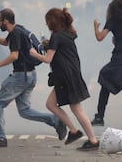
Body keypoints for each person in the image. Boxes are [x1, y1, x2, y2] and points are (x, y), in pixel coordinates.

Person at [0, 8, 66, 147]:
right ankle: (56, 121)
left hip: (20, 76)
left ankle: (0, 137)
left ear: (5, 21)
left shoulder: (15, 33)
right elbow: (5, 42)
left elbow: (14, 55)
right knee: (25, 111)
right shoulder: (19, 30)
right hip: (30, 75)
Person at [30, 8, 99, 151]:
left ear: (52, 21)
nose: (46, 23)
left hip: (66, 76)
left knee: (76, 108)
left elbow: (48, 59)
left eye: (47, 21)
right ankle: (75, 132)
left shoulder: (56, 36)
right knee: (52, 104)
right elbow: (60, 49)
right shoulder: (67, 33)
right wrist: (48, 44)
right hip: (69, 75)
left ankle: (91, 140)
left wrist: (33, 53)